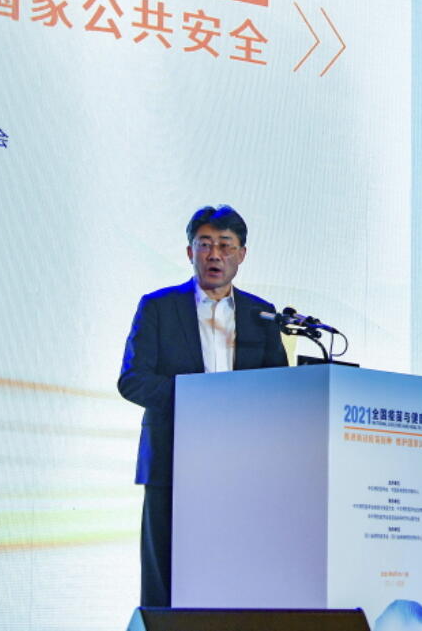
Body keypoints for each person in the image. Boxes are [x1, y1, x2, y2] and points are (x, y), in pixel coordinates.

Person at [118, 205, 288, 607]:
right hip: (172, 461)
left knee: (234, 573)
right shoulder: (158, 306)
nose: (215, 255)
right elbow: (132, 379)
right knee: (166, 580)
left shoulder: (261, 314)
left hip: (241, 467)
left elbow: (280, 388)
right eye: (205, 244)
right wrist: (201, 402)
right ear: (189, 252)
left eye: (225, 246)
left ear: (241, 254)